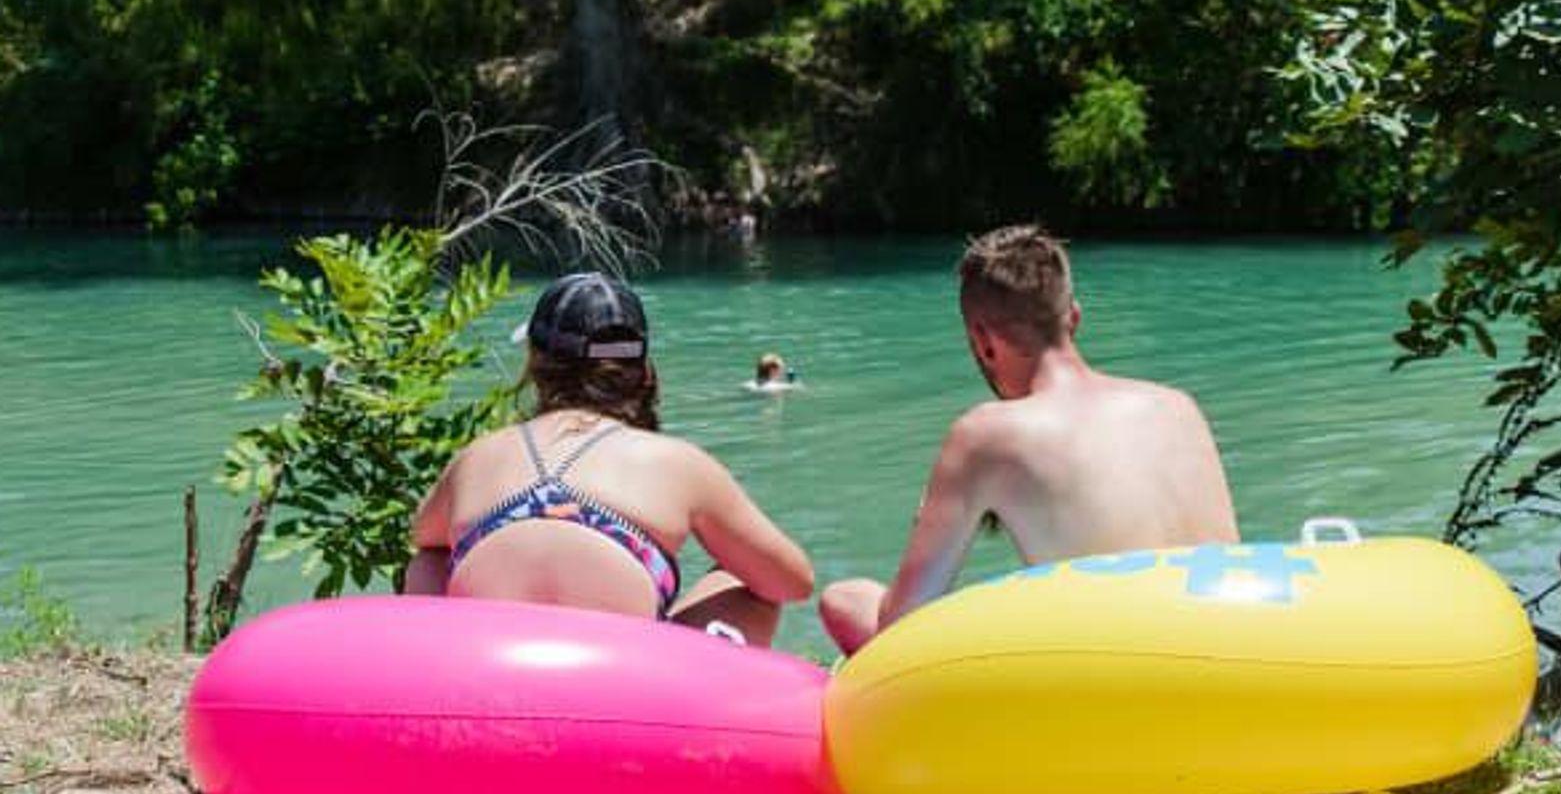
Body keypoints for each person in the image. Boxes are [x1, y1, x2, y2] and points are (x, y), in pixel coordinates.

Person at [818, 225, 1238, 655]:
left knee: (845, 601)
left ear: (983, 342)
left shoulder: (985, 434)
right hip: (1235, 655)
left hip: (1121, 670)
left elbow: (902, 627)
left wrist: (925, 517)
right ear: (1074, 317)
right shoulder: (1178, 406)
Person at [406, 272, 813, 646]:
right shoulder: (678, 463)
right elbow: (794, 582)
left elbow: (423, 538)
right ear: (644, 370)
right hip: (622, 684)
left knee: (429, 560)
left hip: (484, 669)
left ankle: (426, 661)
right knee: (741, 575)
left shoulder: (480, 455)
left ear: (535, 363)